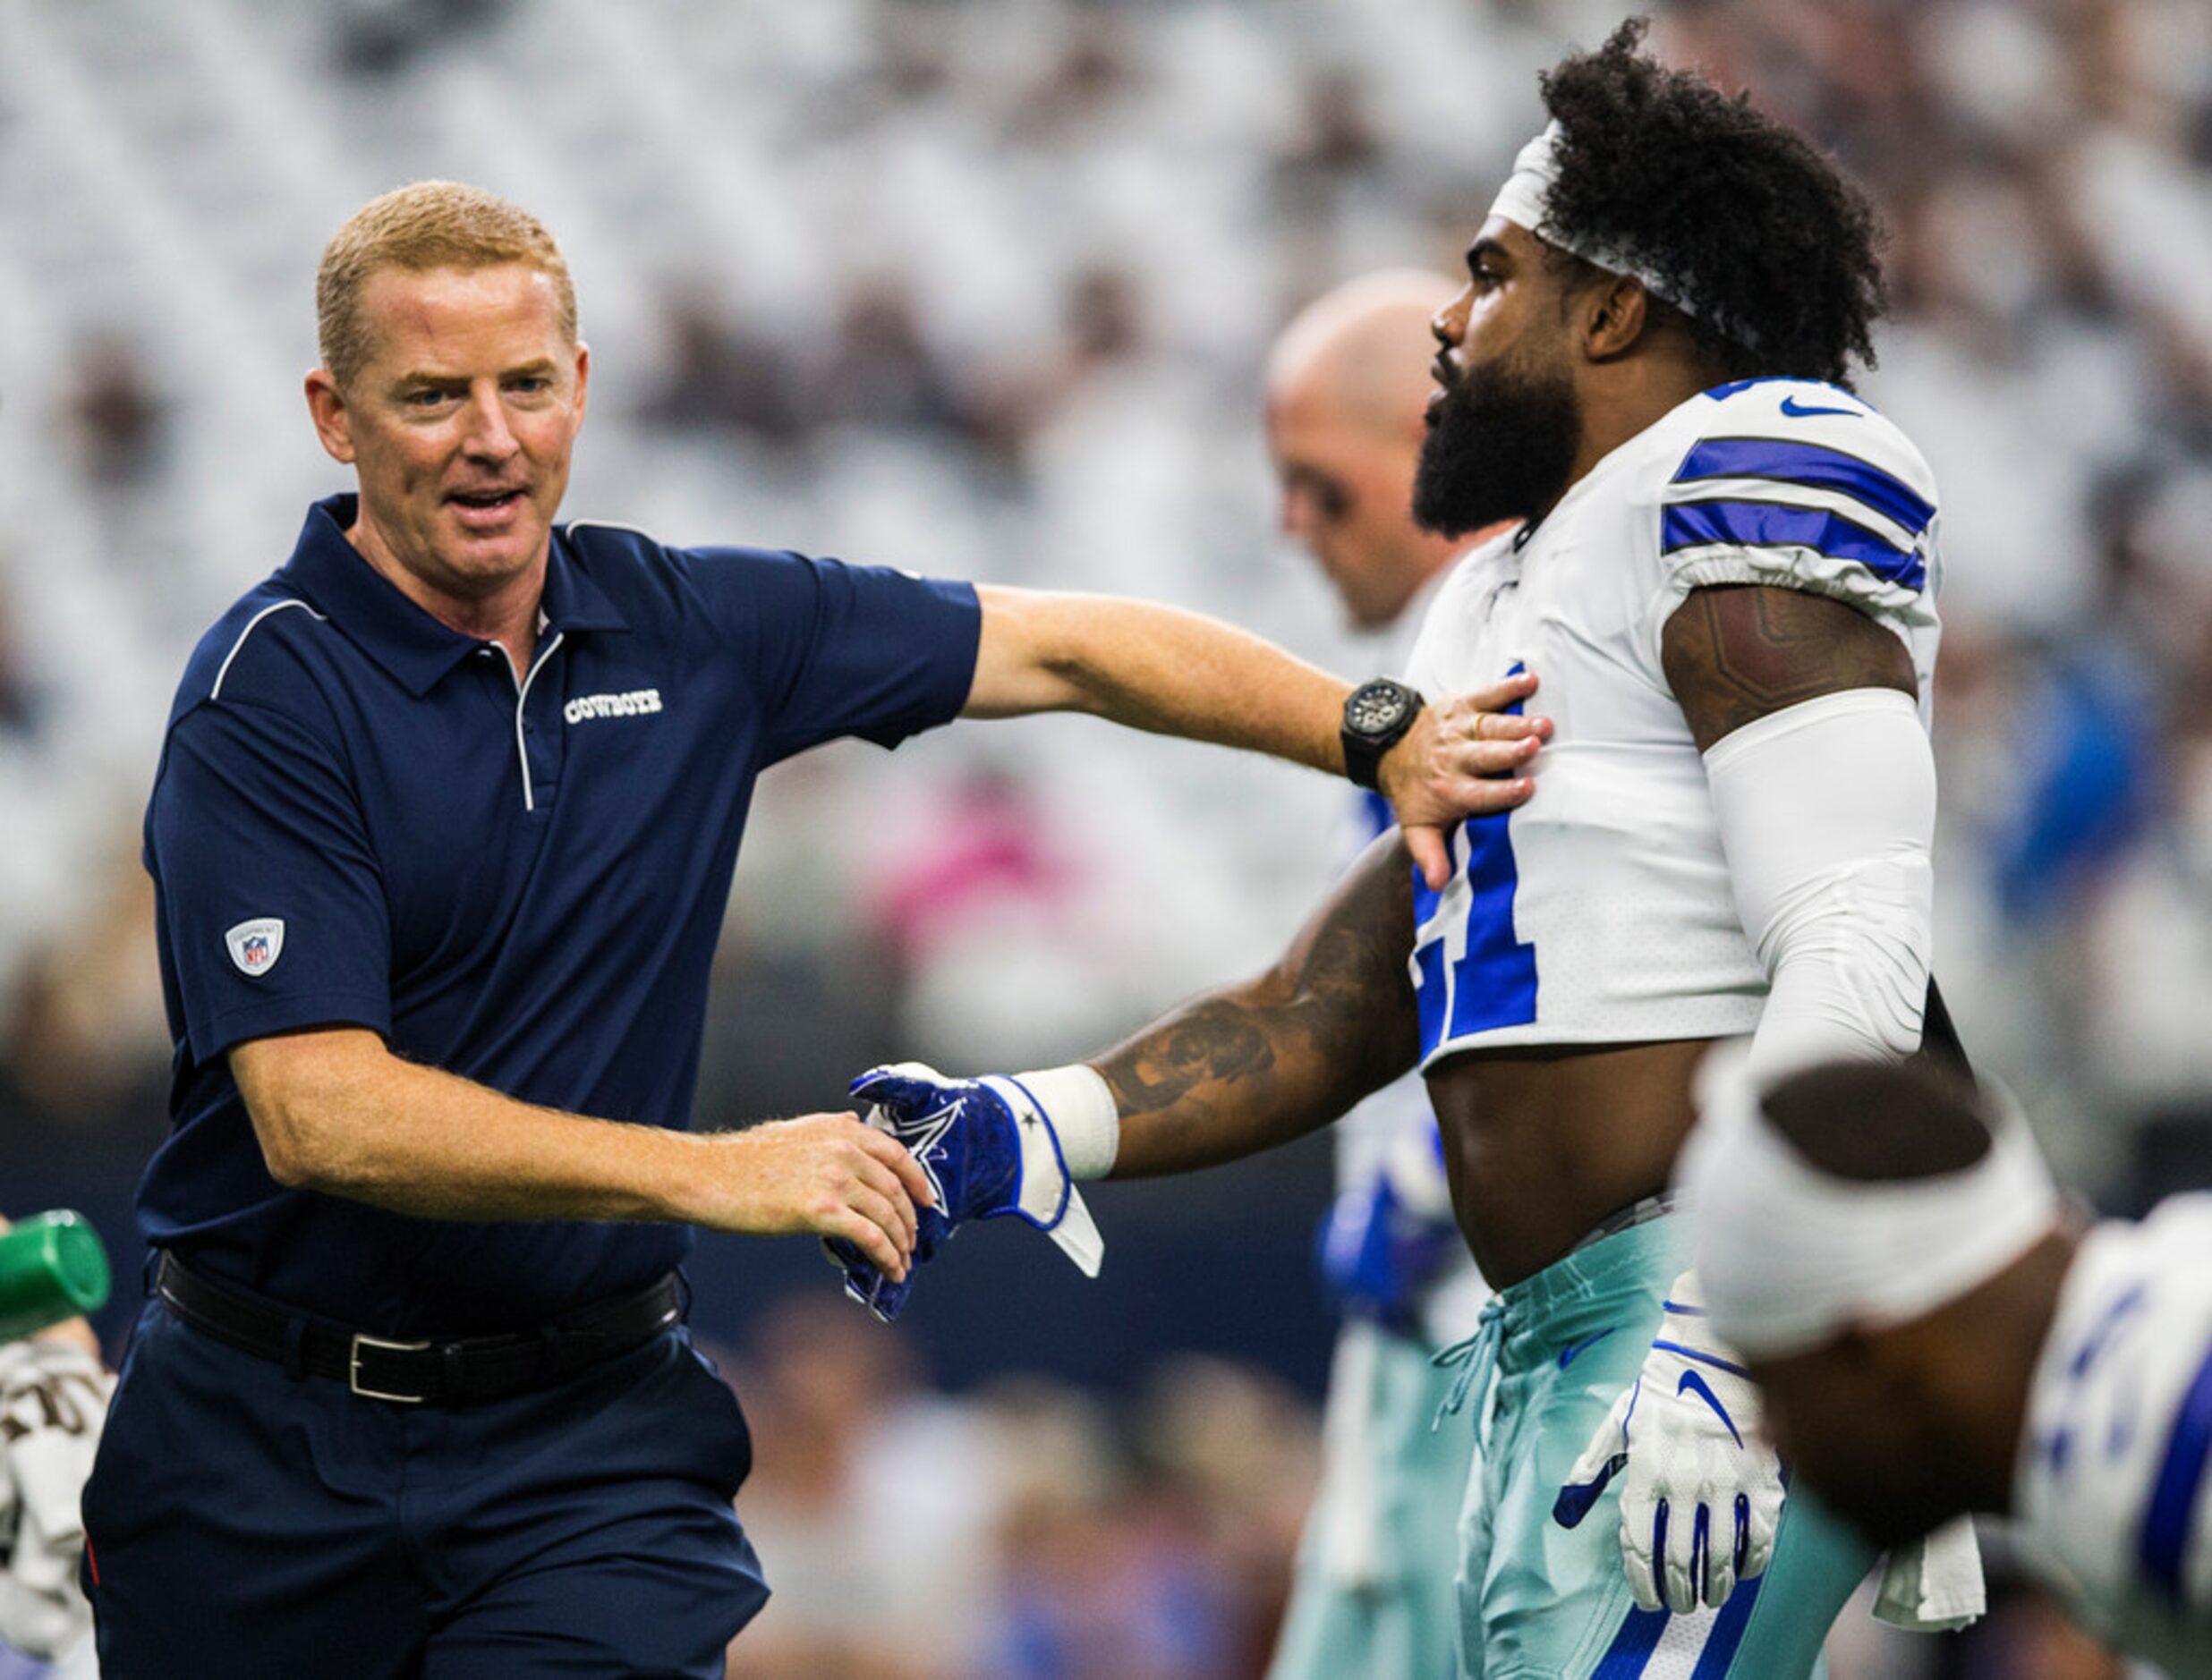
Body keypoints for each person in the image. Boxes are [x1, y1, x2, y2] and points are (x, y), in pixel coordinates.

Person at [84, 179, 1543, 1677]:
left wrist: (1370, 727)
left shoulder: (692, 626)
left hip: (578, 1453)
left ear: (580, 384)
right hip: (260, 1448)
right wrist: (718, 1171)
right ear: (335, 413)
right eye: (431, 394)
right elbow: (322, 1112)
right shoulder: (266, 690)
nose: (491, 435)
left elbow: (1069, 646)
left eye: (525, 384)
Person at [838, 21, 1987, 1676]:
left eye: (1489, 272)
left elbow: (1855, 929)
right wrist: (1036, 1120)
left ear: (1608, 307)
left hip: (1695, 1312)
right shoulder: (1496, 593)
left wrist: (1728, 1325)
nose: (1451, 317)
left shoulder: (1739, 482)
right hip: (1538, 1352)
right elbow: (1350, 990)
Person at [1260, 269, 1498, 1680]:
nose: (1292, 522)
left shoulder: (1506, 654)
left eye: (1321, 485)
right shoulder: (1441, 658)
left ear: (1424, 446)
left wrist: (1414, 1187)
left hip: (1501, 1328)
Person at [1680, 1054, 2212, 1678]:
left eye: (1775, 1390)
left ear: (1869, 1355)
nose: (1768, 1435)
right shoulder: (2169, 1273)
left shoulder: (2158, 1457)